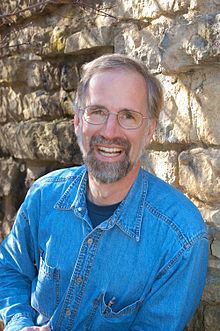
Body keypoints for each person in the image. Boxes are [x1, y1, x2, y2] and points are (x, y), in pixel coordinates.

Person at [0, 54, 208, 331]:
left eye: (128, 116)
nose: (110, 132)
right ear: (77, 122)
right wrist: (19, 324)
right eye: (97, 112)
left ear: (149, 131)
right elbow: (10, 269)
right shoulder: (44, 196)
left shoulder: (181, 237)